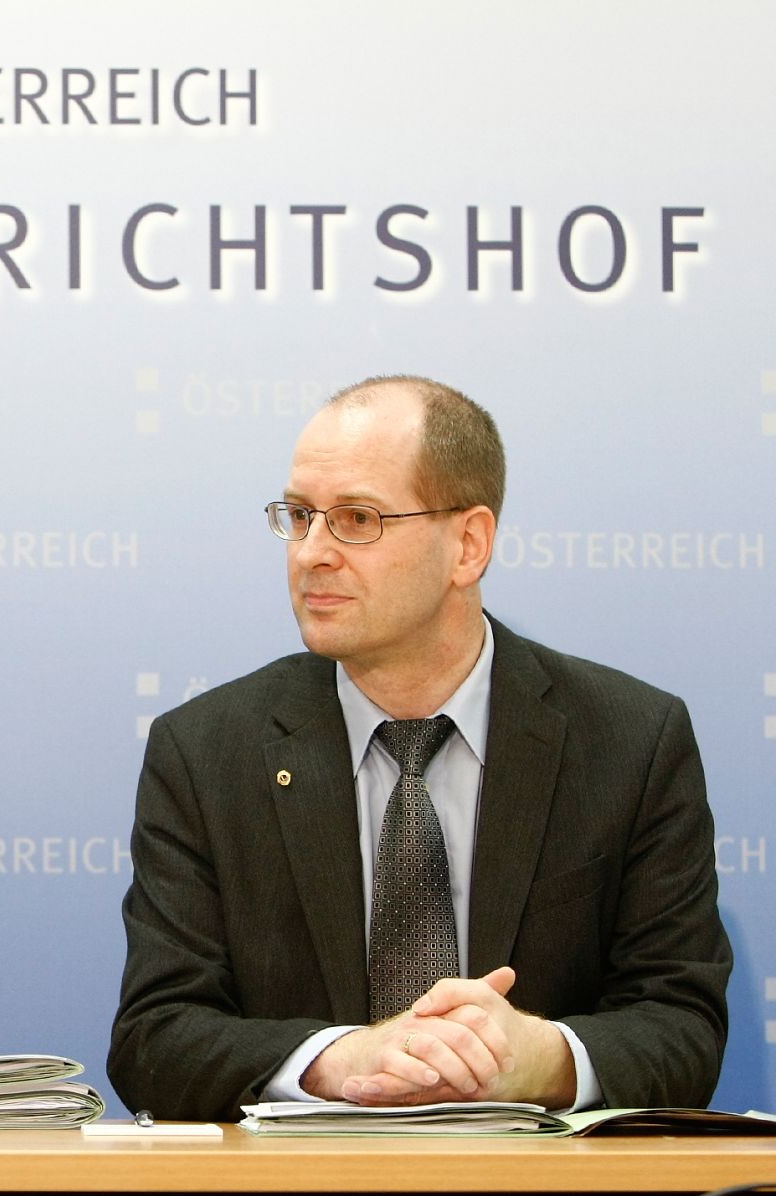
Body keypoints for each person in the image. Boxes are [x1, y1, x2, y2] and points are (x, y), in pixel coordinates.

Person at [107, 375, 730, 1122]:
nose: (311, 554)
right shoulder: (207, 751)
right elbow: (154, 1039)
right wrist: (338, 1060)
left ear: (468, 545)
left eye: (357, 519)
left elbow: (683, 1025)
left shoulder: (631, 740)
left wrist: (539, 1058)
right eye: (300, 516)